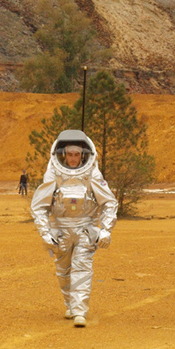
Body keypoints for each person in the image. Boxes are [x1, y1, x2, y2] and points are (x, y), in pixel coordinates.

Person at [30, 130, 118, 328]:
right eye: (69, 154)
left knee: (82, 268)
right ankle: (70, 304)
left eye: (76, 155)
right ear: (63, 154)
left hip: (85, 229)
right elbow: (39, 206)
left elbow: (109, 203)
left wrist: (105, 230)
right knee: (63, 271)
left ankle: (80, 311)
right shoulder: (53, 174)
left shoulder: (92, 174)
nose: (73, 158)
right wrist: (44, 232)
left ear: (83, 155)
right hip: (60, 230)